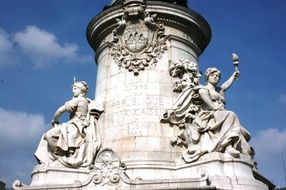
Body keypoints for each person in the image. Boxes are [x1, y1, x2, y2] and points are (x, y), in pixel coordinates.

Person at [181, 68, 252, 162]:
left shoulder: (219, 90)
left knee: (246, 134)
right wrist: (216, 108)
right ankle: (227, 146)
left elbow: (225, 86)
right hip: (209, 114)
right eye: (213, 75)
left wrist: (233, 77)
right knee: (231, 115)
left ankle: (244, 153)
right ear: (207, 77)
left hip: (221, 114)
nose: (215, 77)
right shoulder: (203, 89)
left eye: (217, 76)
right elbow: (211, 105)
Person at [35, 81, 103, 168]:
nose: (73, 91)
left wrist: (55, 120)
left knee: (49, 135)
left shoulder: (78, 100)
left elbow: (60, 111)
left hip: (75, 125)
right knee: (51, 135)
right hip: (78, 125)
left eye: (75, 89)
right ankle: (63, 156)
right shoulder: (86, 101)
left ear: (81, 91)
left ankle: (60, 158)